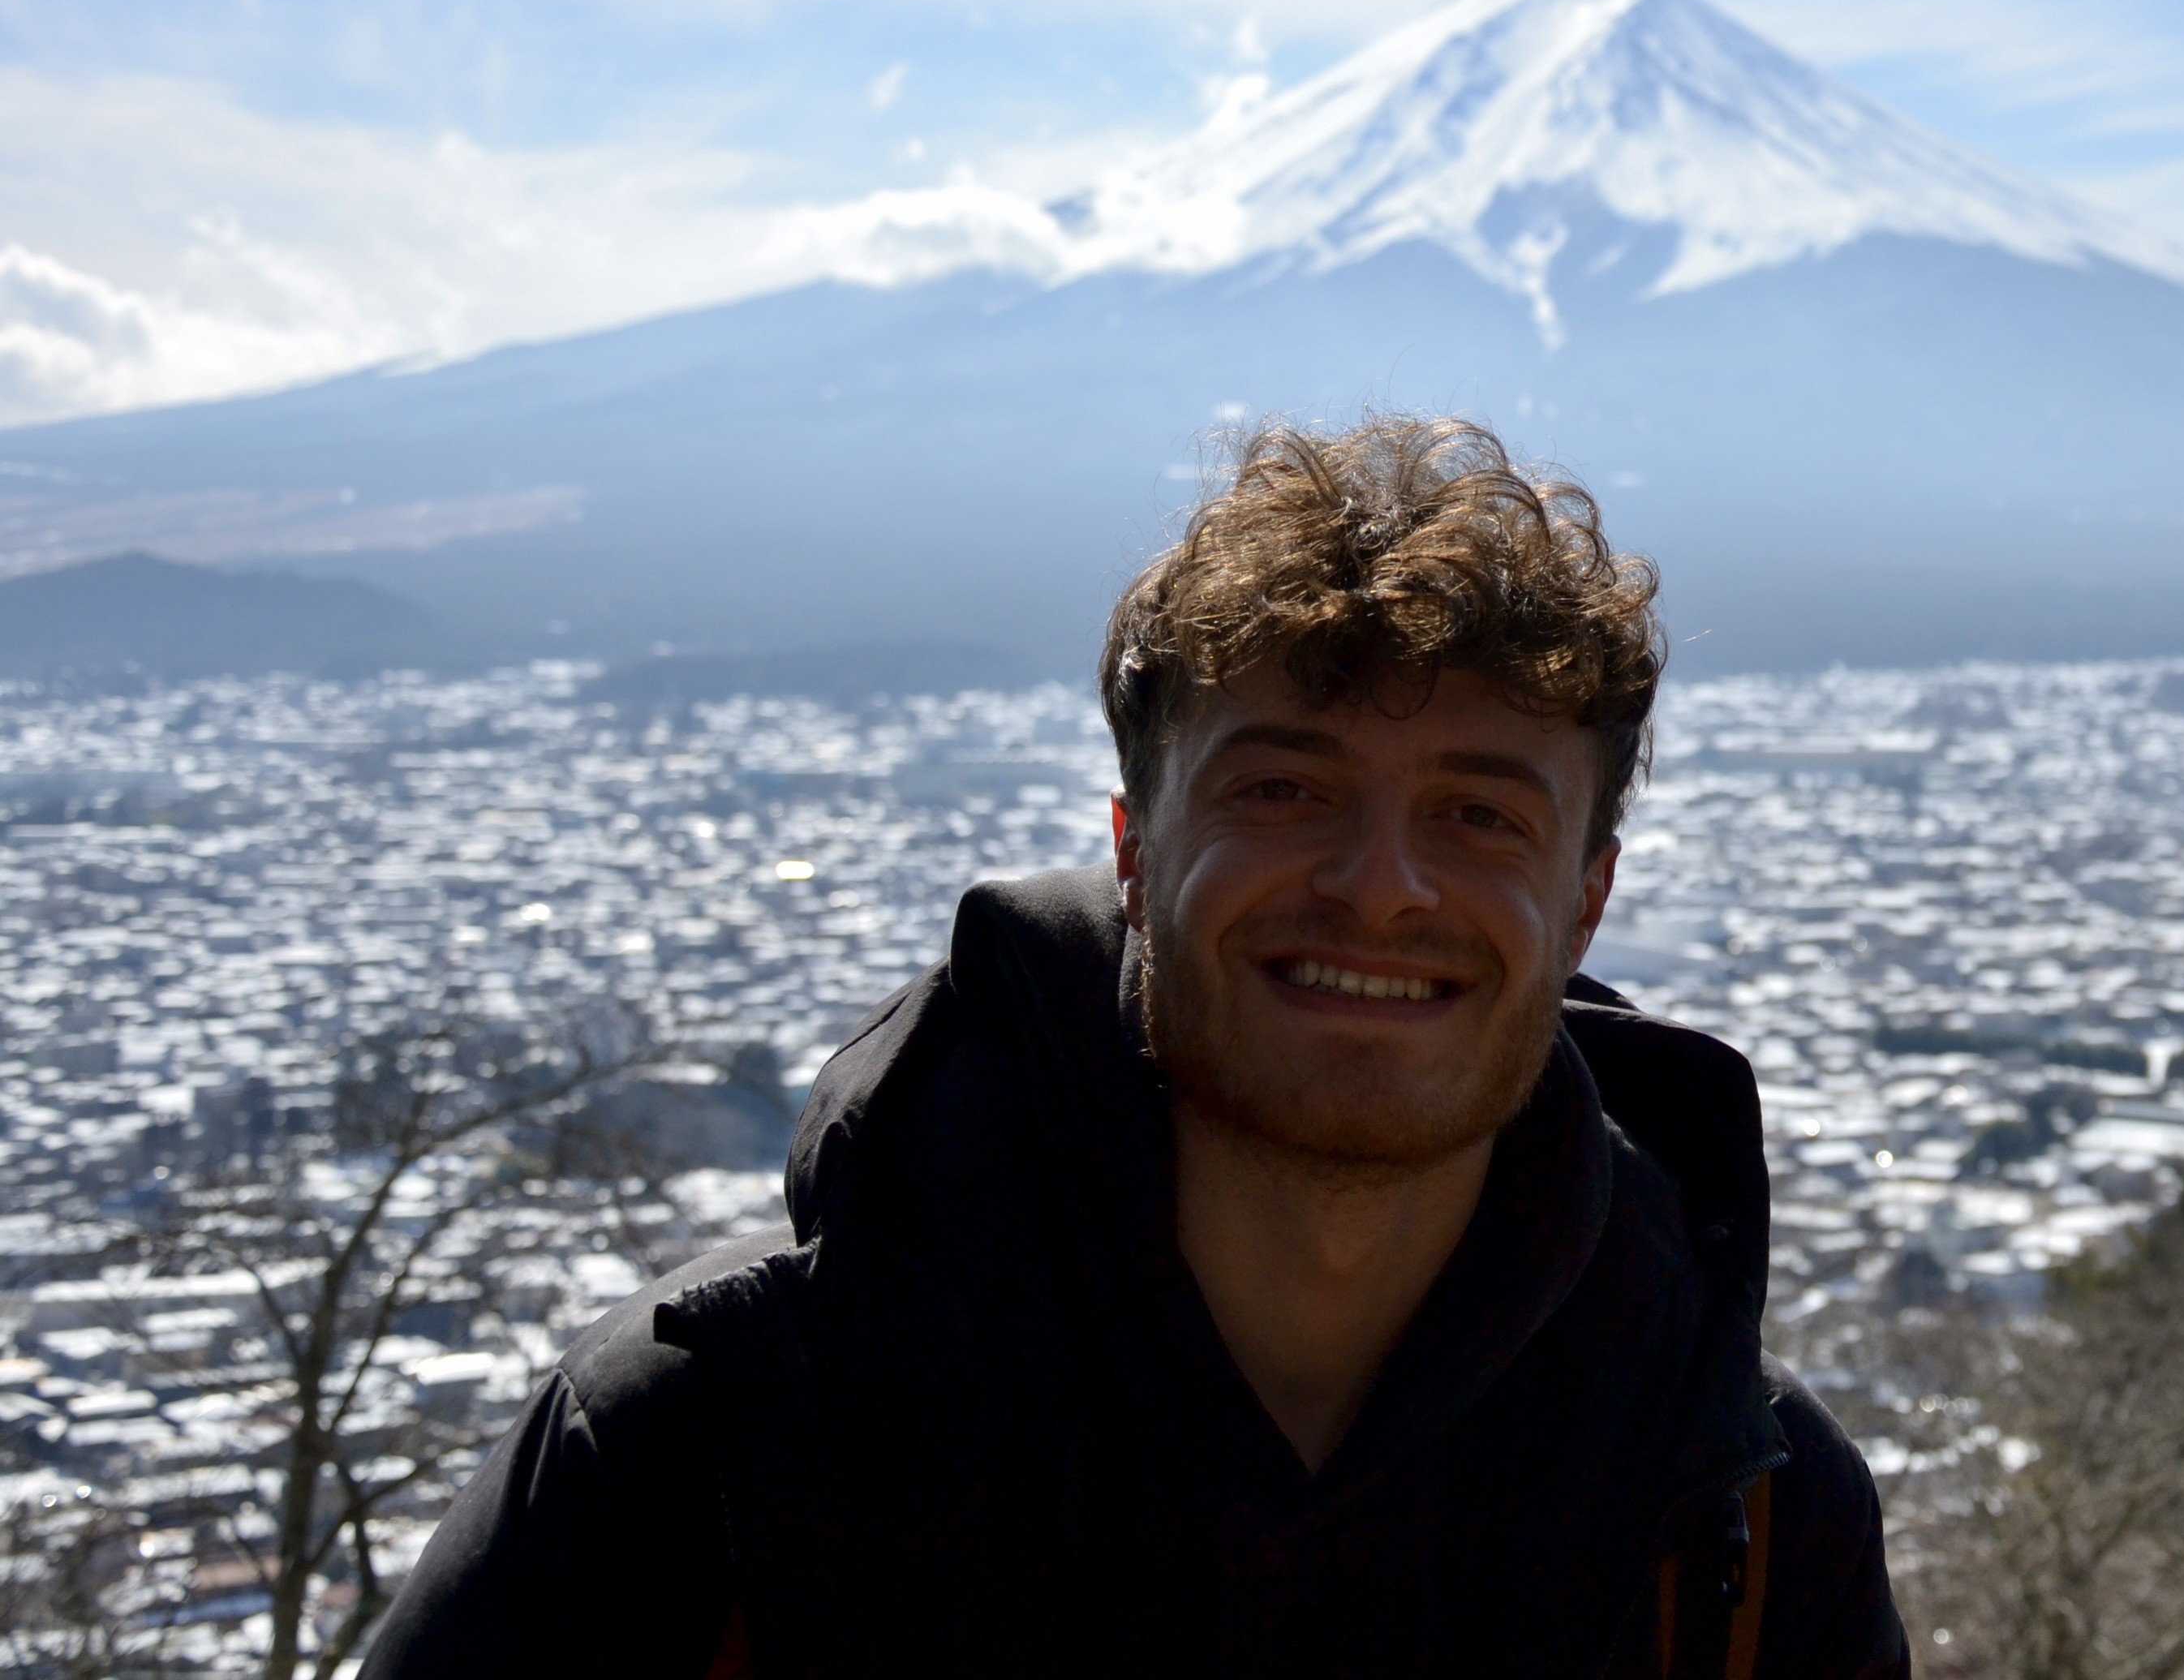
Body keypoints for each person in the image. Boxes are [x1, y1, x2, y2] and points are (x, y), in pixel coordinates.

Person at [366, 416, 1908, 1678]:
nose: (1382, 884)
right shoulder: (707, 1448)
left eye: (1479, 814)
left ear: (1587, 902)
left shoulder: (1737, 1525)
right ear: (1132, 851)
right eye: (1283, 792)